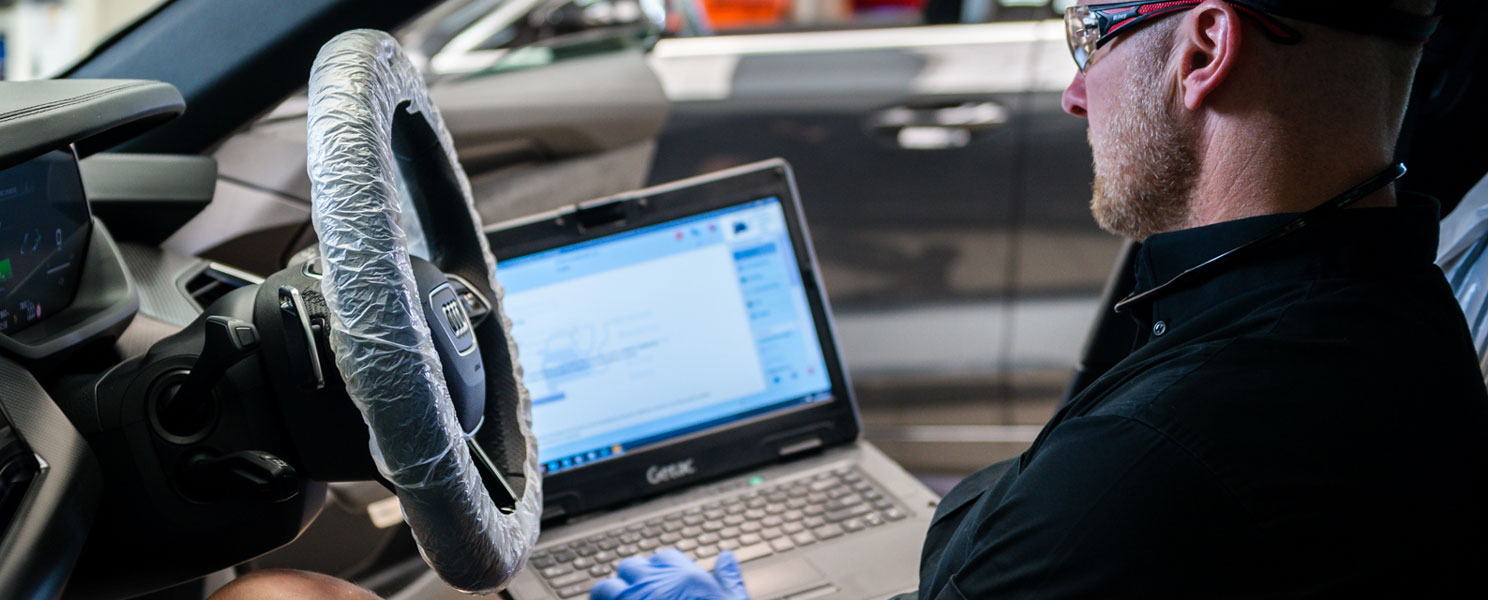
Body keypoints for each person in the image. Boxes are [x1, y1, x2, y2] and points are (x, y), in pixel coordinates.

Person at [592, 0, 1488, 598]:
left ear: (1203, 51)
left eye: (1090, 34)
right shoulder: (1411, 331)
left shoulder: (1152, 465)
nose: (1073, 94)